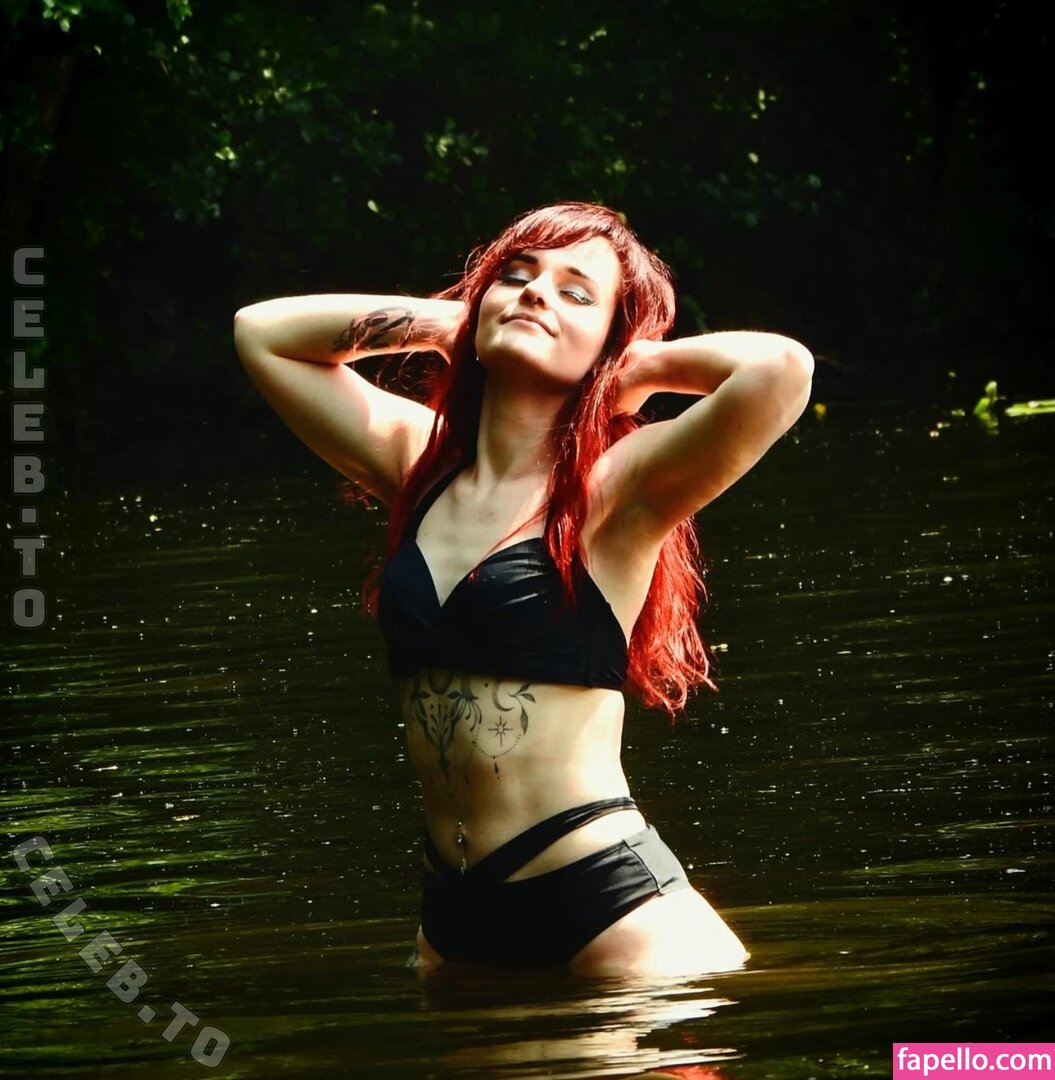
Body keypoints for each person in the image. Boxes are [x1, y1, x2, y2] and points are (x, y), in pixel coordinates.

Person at [233, 201, 813, 977]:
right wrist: (452, 322)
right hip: (452, 918)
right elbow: (261, 333)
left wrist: (633, 366)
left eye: (576, 292)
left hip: (602, 904)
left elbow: (781, 371)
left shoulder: (617, 488)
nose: (536, 292)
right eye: (516, 275)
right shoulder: (417, 466)